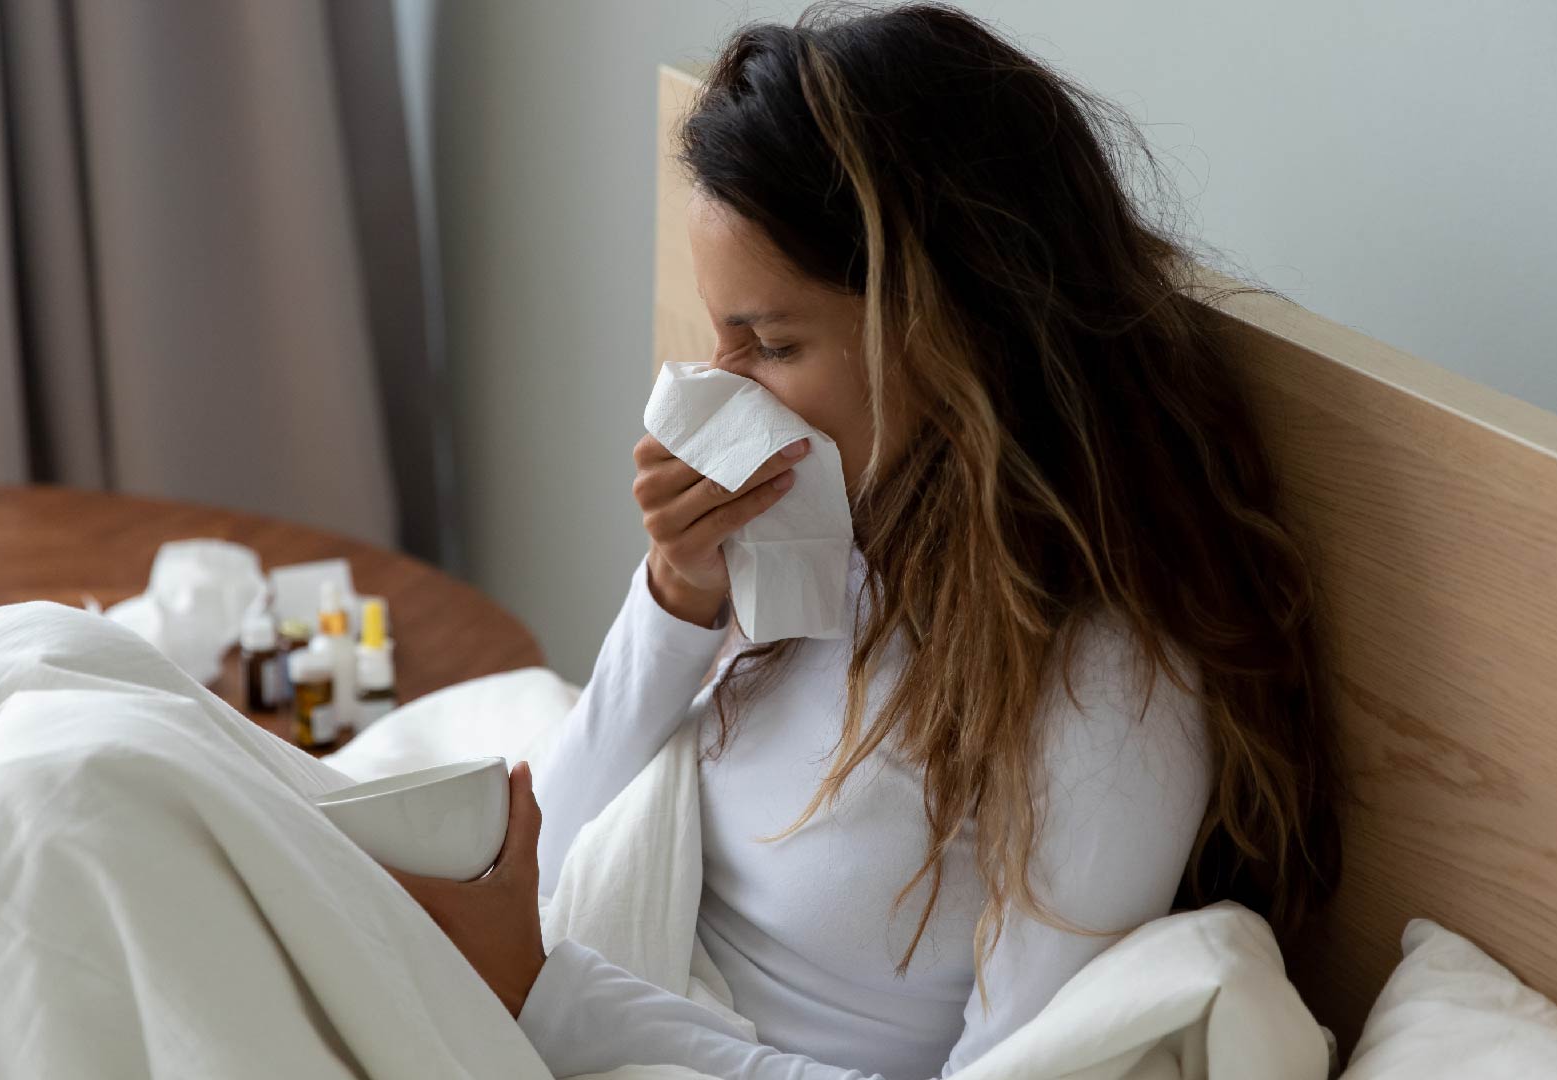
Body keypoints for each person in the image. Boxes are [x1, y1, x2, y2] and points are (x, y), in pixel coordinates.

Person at [393, 4, 1343, 1078]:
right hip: (582, 994)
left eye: (771, 341)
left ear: (950, 326)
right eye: (719, 336)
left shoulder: (1103, 689)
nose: (715, 385)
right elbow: (559, 855)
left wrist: (547, 997)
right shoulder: (821, 530)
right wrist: (673, 597)